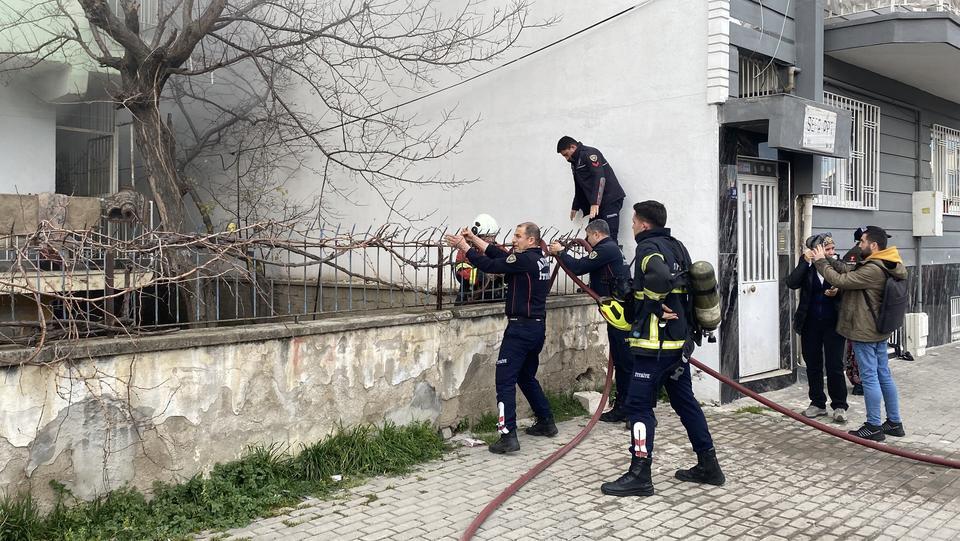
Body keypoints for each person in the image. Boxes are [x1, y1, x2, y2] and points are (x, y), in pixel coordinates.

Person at [600, 201, 724, 497]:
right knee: (686, 404)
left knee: (638, 407)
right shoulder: (677, 247)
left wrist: (652, 304)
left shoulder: (648, 248)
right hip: (679, 347)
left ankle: (639, 474)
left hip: (653, 347)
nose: (631, 226)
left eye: (633, 222)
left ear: (643, 224)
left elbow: (659, 278)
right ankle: (709, 466)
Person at [444, 222, 556, 454]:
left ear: (531, 240)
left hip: (520, 330)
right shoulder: (538, 258)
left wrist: (464, 246)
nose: (514, 240)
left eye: (518, 236)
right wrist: (474, 240)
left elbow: (491, 264)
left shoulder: (524, 260)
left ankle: (508, 436)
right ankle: (546, 421)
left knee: (504, 381)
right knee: (526, 377)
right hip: (536, 327)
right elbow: (500, 255)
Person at [811, 225, 906, 441]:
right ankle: (894, 422)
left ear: (873, 245)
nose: (859, 244)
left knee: (870, 377)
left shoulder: (873, 269)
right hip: (878, 328)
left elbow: (841, 280)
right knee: (883, 374)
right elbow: (850, 270)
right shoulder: (887, 262)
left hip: (865, 330)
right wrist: (831, 258)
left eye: (862, 241)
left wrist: (820, 261)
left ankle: (873, 425)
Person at [548, 219, 632, 423]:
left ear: (596, 234)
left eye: (588, 236)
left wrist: (560, 251)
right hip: (615, 310)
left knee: (625, 362)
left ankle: (635, 410)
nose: (586, 240)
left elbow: (579, 266)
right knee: (621, 362)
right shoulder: (610, 249)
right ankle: (623, 407)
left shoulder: (606, 249)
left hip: (620, 311)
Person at [786, 233, 849, 423]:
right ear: (815, 251)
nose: (831, 253)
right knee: (813, 364)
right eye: (826, 250)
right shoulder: (808, 264)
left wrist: (838, 290)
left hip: (834, 322)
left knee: (834, 364)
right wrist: (804, 263)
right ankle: (817, 403)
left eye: (832, 249)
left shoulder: (838, 264)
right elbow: (792, 282)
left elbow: (850, 284)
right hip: (810, 321)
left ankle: (839, 405)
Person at [557, 136, 627, 242]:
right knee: (591, 234)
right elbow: (579, 185)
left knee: (610, 235)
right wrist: (575, 206)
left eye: (566, 154)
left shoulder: (589, 153)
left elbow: (600, 177)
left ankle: (616, 258)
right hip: (598, 203)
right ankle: (596, 258)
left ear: (573, 147)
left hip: (610, 200)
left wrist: (595, 202)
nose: (566, 158)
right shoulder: (574, 162)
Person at [452, 214, 505, 304]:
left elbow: (507, 263)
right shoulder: (465, 249)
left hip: (495, 297)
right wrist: (484, 274)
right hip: (471, 297)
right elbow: (461, 272)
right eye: (488, 236)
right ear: (478, 235)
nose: (492, 239)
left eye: (494, 235)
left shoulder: (498, 248)